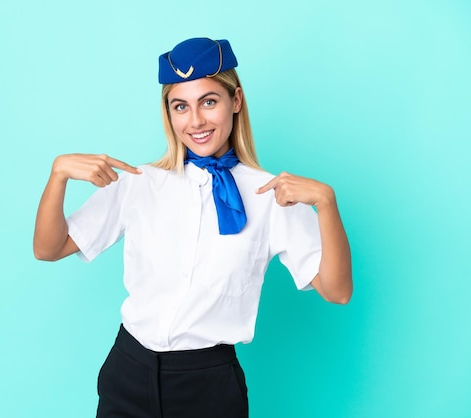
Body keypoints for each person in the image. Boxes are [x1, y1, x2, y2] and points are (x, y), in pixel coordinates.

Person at [33, 37, 352, 418]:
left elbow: (337, 291)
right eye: (180, 106)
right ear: (168, 113)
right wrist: (58, 177)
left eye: (209, 102)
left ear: (236, 101)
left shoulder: (271, 195)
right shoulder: (139, 183)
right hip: (127, 373)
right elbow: (49, 249)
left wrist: (327, 205)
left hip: (208, 388)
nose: (195, 121)